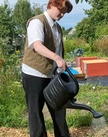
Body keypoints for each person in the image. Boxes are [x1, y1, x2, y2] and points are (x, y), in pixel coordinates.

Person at [21, 0, 73, 136]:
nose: (62, 15)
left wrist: (61, 65)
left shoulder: (57, 27)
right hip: (34, 74)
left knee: (59, 109)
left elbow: (57, 48)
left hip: (52, 75)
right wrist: (57, 58)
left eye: (64, 13)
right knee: (36, 113)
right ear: (51, 5)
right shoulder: (37, 22)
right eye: (60, 11)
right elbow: (37, 46)